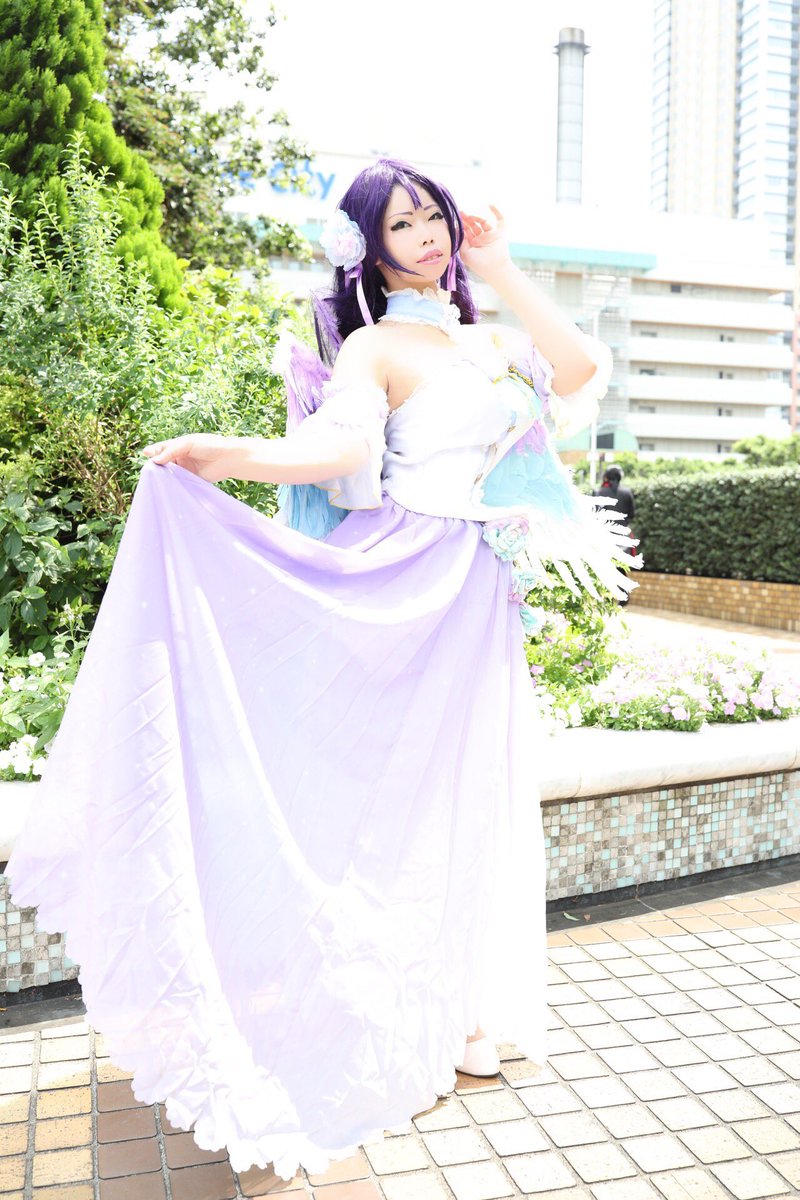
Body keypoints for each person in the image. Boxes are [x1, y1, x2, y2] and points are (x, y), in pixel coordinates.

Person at [6, 158, 636, 1182]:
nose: (427, 235)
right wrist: (226, 454)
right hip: (402, 579)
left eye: (433, 216)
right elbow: (340, 449)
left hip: (476, 591)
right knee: (384, 800)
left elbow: (573, 372)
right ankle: (377, 1009)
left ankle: (462, 1014)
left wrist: (501, 265)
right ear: (369, 248)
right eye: (403, 223)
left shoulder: (489, 341)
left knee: (470, 794)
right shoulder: (376, 346)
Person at [593, 464, 637, 604]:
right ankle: (624, 597)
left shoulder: (599, 492)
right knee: (620, 567)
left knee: (604, 567)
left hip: (604, 535)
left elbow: (594, 514)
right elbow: (632, 515)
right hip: (623, 536)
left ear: (606, 477)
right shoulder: (627, 493)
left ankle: (606, 598)